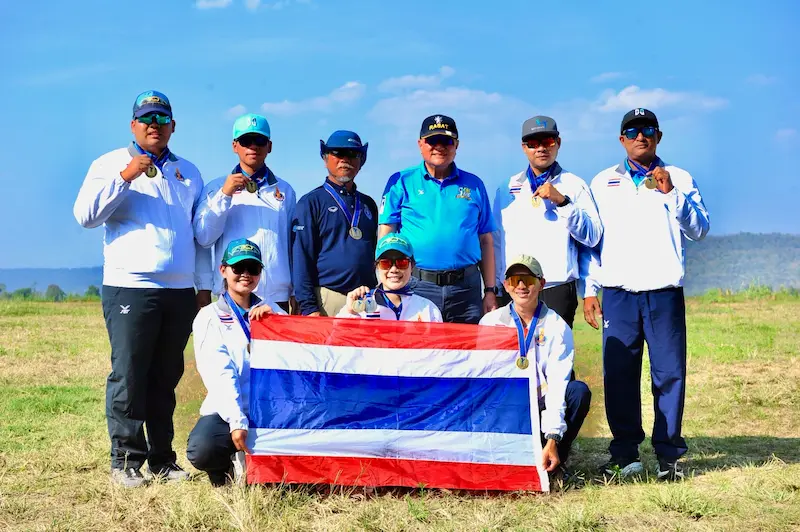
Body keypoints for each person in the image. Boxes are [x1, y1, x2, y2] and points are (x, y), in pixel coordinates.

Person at [73, 90, 204, 487]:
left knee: (166, 376)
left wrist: (201, 286)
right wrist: (124, 178)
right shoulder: (110, 163)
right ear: (133, 125)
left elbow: (196, 235)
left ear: (173, 126)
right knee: (130, 374)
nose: (154, 125)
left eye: (161, 119)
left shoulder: (188, 172)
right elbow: (86, 216)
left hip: (180, 289)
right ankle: (126, 461)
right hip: (131, 286)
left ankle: (163, 460)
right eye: (147, 119)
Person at [582, 108, 710, 481]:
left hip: (664, 291)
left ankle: (669, 458)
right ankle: (625, 454)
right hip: (618, 292)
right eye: (633, 131)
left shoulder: (680, 177)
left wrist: (672, 193)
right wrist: (590, 290)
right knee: (618, 374)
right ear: (622, 139)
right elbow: (593, 242)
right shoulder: (603, 181)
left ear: (659, 136)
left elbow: (700, 229)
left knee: (669, 375)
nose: (642, 136)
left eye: (648, 130)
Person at [480, 255, 591, 478]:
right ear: (505, 285)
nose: (521, 286)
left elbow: (559, 383)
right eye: (514, 280)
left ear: (541, 284)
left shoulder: (557, 326)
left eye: (528, 280)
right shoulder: (491, 323)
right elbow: (483, 379)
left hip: (541, 401)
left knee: (577, 392)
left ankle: (555, 456)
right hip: (506, 405)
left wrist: (552, 437)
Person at [379, 115, 497, 324]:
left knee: (465, 351)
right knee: (419, 352)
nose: (439, 147)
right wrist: (385, 283)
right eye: (432, 141)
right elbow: (386, 233)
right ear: (420, 144)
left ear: (457, 145)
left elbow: (486, 240)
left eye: (447, 141)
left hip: (465, 288)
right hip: (416, 285)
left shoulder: (475, 184)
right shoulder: (401, 181)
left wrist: (489, 290)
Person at [186, 239, 286, 486]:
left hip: (271, 410)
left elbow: (301, 352)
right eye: (238, 268)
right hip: (230, 409)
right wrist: (236, 421)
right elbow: (220, 373)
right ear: (223, 270)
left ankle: (261, 466)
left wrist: (276, 326)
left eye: (253, 269)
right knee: (203, 448)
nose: (245, 275)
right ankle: (224, 469)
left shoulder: (273, 311)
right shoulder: (209, 316)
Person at [493, 116, 602, 328]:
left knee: (555, 355)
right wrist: (496, 288)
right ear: (524, 148)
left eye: (548, 142)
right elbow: (498, 241)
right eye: (533, 144)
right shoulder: (507, 188)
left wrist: (562, 202)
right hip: (516, 288)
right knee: (514, 357)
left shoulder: (574, 185)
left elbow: (592, 237)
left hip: (556, 287)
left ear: (558, 143)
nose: (541, 148)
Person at [193, 113, 297, 314]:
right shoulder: (215, 188)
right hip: (233, 294)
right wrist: (225, 195)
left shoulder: (285, 190)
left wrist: (296, 291)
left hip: (276, 297)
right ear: (235, 146)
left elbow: (293, 244)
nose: (253, 146)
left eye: (260, 140)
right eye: (246, 140)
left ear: (269, 146)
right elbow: (204, 238)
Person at [292, 131, 379, 317]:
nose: (345, 159)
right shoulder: (311, 202)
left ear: (361, 161)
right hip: (327, 300)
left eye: (353, 154)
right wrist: (309, 307)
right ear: (325, 159)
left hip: (365, 300)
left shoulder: (368, 204)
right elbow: (301, 258)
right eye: (338, 153)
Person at [338, 233, 443, 322]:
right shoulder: (360, 305)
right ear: (376, 267)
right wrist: (351, 312)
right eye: (385, 263)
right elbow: (335, 342)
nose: (393, 269)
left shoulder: (428, 309)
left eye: (402, 263)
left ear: (412, 267)